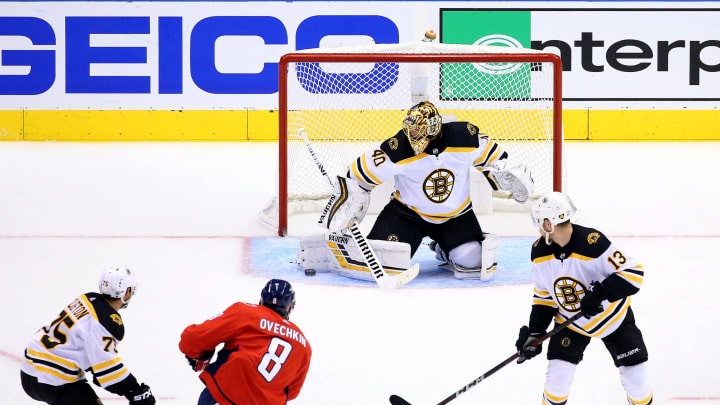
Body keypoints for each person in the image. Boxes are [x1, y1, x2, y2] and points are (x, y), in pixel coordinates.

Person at [299, 100, 533, 281]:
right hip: (406, 216)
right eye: (410, 130)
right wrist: (349, 204)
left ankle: (444, 248)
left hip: (457, 216)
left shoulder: (465, 137)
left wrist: (507, 176)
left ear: (434, 130)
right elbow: (357, 177)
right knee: (385, 264)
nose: (412, 137)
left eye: (418, 132)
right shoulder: (396, 149)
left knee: (474, 262)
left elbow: (495, 160)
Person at [515, 192, 653, 405]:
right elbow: (544, 299)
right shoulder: (539, 252)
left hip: (614, 320)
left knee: (638, 384)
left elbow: (634, 274)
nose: (539, 229)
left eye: (540, 223)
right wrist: (535, 333)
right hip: (571, 324)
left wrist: (601, 293)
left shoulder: (592, 243)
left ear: (549, 224)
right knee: (557, 381)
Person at [20, 266, 155, 405]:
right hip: (54, 380)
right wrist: (135, 391)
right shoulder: (107, 321)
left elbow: (85, 350)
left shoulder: (87, 298)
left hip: (29, 369)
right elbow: (108, 372)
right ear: (127, 292)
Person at [179, 279, 312, 405]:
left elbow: (193, 339)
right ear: (290, 308)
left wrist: (200, 355)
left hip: (226, 396)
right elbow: (292, 391)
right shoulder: (303, 345)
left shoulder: (245, 313)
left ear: (262, 300)